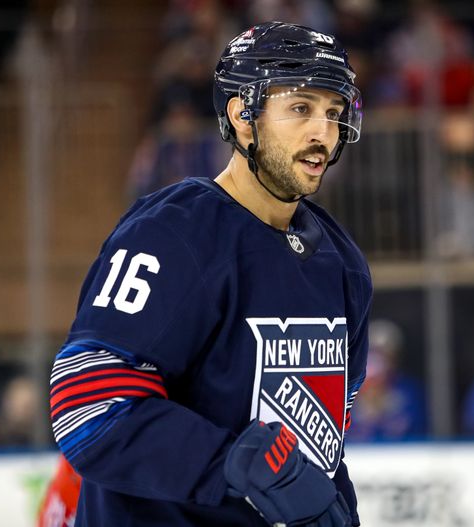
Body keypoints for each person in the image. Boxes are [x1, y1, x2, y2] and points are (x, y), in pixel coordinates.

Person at [49, 22, 370, 527]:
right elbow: (89, 402)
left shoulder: (341, 261)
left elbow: (325, 443)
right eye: (301, 109)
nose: (322, 134)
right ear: (244, 117)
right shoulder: (174, 233)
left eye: (333, 113)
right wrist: (238, 464)